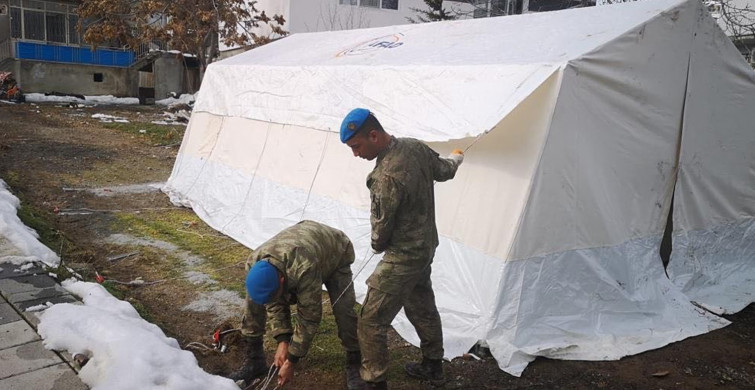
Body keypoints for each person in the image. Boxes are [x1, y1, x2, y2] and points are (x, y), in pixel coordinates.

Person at [340, 108, 464, 389]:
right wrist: (458, 157)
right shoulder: (415, 146)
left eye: (356, 147)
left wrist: (376, 244)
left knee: (371, 319)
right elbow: (445, 170)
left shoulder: (384, 177)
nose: (355, 154)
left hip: (402, 257)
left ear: (374, 135)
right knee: (421, 304)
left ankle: (373, 382)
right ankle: (433, 365)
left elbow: (380, 233)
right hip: (425, 248)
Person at [228, 220, 364, 389]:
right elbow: (274, 302)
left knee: (344, 310)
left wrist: (292, 359)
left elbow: (309, 316)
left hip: (335, 250)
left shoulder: (304, 268)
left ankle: (355, 360)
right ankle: (254, 360)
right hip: (304, 247)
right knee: (253, 301)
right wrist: (283, 340)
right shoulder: (254, 264)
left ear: (282, 280)